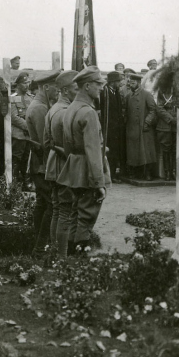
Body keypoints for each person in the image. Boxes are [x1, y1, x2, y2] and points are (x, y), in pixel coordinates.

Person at [57, 67, 110, 254]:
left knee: (75, 214)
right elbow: (93, 151)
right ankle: (80, 260)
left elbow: (68, 145)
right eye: (98, 84)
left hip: (74, 167)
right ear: (87, 86)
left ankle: (70, 258)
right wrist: (98, 183)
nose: (101, 88)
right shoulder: (88, 112)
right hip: (88, 170)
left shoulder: (71, 108)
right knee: (86, 216)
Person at [25, 70, 60, 255]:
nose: (58, 91)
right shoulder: (40, 108)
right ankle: (40, 248)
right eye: (56, 87)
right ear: (46, 87)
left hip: (38, 164)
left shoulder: (40, 105)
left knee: (41, 204)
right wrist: (51, 169)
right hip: (42, 165)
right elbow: (44, 142)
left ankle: (37, 243)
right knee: (50, 205)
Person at [45, 70, 78, 256]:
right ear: (65, 91)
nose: (78, 91)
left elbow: (46, 142)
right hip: (64, 167)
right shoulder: (65, 112)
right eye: (75, 88)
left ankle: (53, 254)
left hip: (53, 165)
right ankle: (61, 257)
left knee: (58, 210)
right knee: (65, 212)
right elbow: (67, 147)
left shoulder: (53, 109)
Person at [124, 72, 157, 180]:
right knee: (133, 152)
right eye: (130, 82)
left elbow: (153, 110)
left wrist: (147, 122)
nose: (130, 84)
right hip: (132, 129)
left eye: (133, 82)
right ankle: (135, 173)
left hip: (144, 128)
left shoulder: (146, 94)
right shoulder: (128, 95)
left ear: (139, 83)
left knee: (146, 152)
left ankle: (148, 174)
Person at [100, 71, 126, 182]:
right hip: (109, 128)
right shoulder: (104, 93)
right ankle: (110, 175)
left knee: (115, 151)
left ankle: (114, 174)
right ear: (113, 82)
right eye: (118, 81)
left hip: (116, 128)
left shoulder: (115, 92)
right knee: (110, 151)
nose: (120, 83)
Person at [9, 71, 32, 187]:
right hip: (18, 135)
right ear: (18, 84)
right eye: (24, 83)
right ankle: (14, 182)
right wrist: (28, 127)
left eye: (28, 83)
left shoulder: (30, 98)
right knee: (16, 159)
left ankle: (24, 181)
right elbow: (13, 117)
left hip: (28, 136)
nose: (27, 85)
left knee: (26, 159)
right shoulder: (13, 98)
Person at [155, 87, 176, 181]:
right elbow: (159, 108)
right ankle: (167, 172)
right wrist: (171, 119)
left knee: (176, 149)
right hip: (164, 126)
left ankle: (175, 171)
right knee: (166, 150)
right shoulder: (161, 91)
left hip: (177, 126)